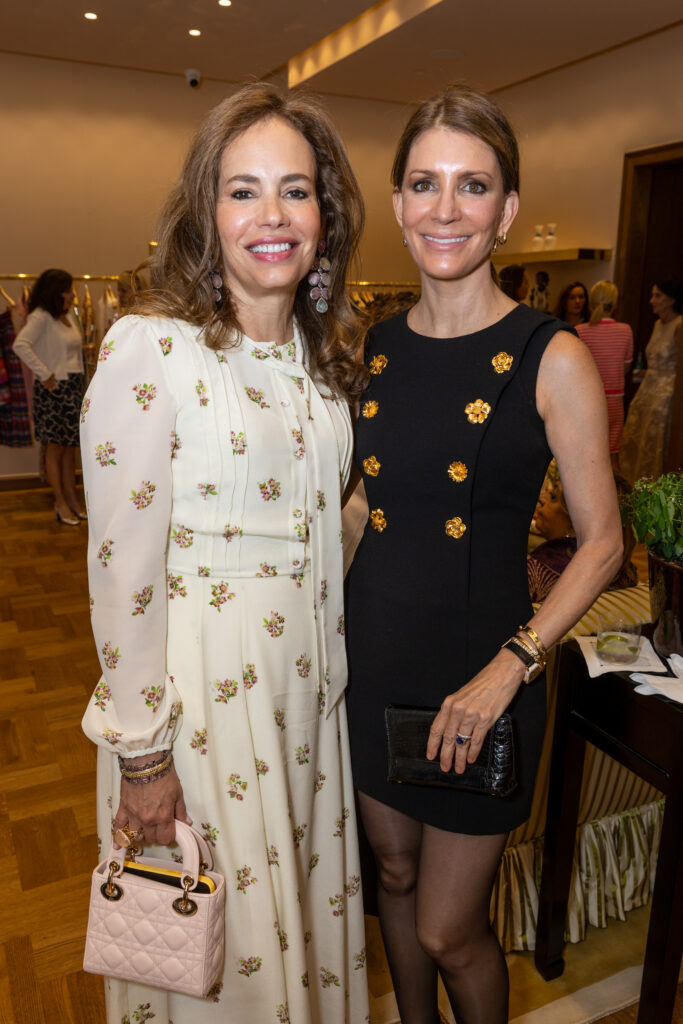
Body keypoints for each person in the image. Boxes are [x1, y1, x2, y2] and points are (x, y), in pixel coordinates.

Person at [81, 83, 369, 1024]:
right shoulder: (151, 351)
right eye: (242, 191)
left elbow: (323, 527)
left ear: (325, 213)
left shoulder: (323, 367)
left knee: (294, 938)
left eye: (296, 189)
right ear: (205, 213)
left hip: (305, 702)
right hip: (201, 710)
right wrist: (143, 758)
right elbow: (120, 572)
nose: (272, 216)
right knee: (225, 966)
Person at [345, 84, 622, 1024]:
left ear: (504, 210)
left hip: (488, 673)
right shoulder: (371, 351)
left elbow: (602, 546)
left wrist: (512, 666)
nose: (445, 208)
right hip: (373, 658)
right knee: (389, 872)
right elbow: (361, 512)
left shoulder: (553, 356)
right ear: (397, 203)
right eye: (424, 183)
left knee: (446, 929)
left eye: (472, 186)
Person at [13, 268, 87, 524]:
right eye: (67, 290)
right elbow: (20, 345)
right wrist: (44, 373)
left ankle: (72, 499)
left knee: (69, 449)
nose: (71, 295)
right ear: (55, 292)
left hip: (72, 386)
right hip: (54, 390)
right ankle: (60, 502)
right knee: (55, 449)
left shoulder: (64, 317)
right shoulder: (41, 317)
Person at [528, 464, 637, 602]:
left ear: (576, 523)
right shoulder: (626, 572)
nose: (542, 498)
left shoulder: (538, 569)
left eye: (553, 497)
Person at [619, 278, 683, 484]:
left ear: (672, 299)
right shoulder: (657, 324)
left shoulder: (680, 325)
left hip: (667, 394)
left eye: (658, 296)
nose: (652, 300)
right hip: (647, 389)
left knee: (655, 442)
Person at [576, 281, 633, 466]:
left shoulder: (580, 331)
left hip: (588, 400)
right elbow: (625, 368)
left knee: (586, 453)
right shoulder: (625, 330)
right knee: (613, 454)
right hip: (615, 400)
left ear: (590, 303)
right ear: (615, 304)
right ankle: (616, 494)